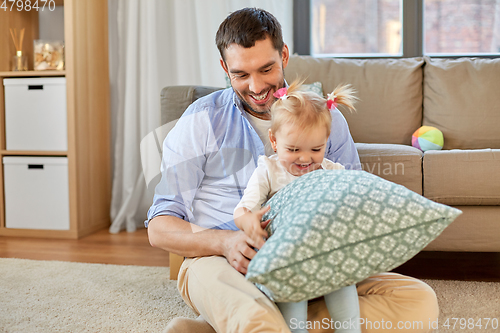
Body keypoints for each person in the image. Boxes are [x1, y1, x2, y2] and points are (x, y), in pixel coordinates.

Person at [147, 7, 439, 333]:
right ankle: (257, 320)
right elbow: (159, 228)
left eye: (266, 69)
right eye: (240, 75)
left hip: (312, 264)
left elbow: (350, 197)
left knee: (418, 302)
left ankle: (220, 328)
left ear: (283, 54)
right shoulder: (199, 120)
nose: (256, 87)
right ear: (224, 68)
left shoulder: (326, 119)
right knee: (253, 315)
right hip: (220, 262)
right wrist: (225, 243)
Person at [233, 81, 361, 333]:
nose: (305, 158)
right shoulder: (268, 170)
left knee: (344, 283)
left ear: (326, 141)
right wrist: (248, 222)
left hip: (326, 256)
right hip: (286, 260)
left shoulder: (333, 171)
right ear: (274, 140)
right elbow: (242, 210)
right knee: (291, 305)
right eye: (293, 149)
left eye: (316, 149)